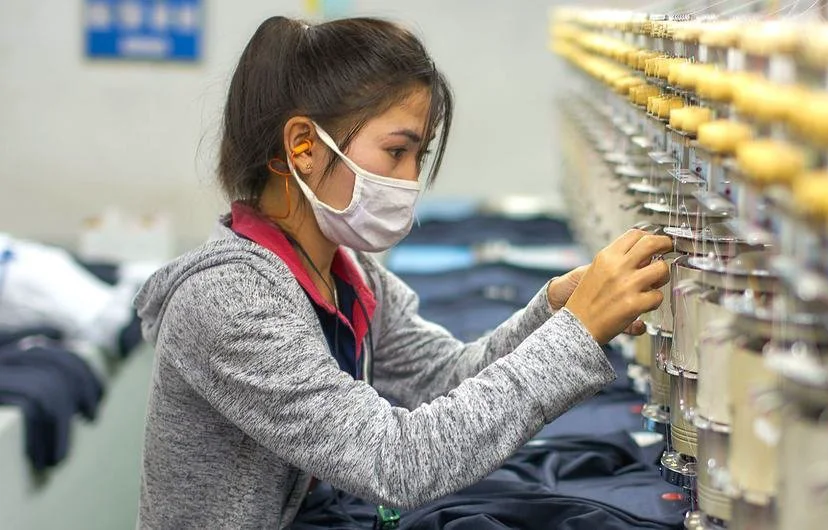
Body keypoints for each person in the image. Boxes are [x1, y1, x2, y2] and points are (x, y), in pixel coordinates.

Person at [132, 16, 672, 530]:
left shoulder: (344, 273)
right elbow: (397, 462)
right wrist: (576, 334)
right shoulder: (230, 300)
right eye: (397, 151)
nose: (412, 180)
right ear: (302, 147)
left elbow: (441, 379)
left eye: (420, 154)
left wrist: (553, 311)